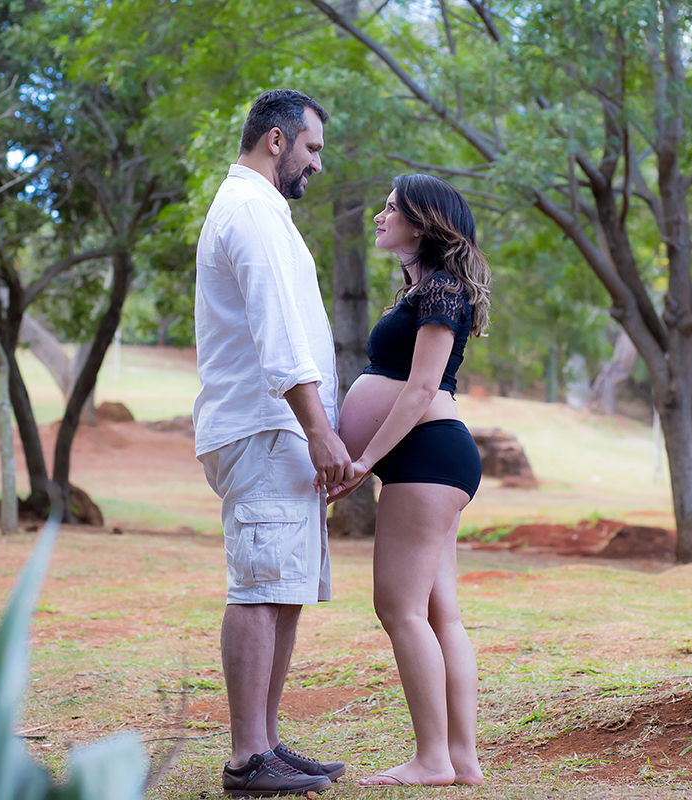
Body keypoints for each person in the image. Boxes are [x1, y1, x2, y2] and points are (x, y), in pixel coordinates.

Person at [193, 89, 352, 797]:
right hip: (265, 427)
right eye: (312, 148)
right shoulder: (252, 210)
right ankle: (246, 756)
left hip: (277, 428)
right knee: (259, 586)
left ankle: (267, 742)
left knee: (281, 586)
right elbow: (277, 335)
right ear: (278, 141)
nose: (317, 163)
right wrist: (320, 431)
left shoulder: (265, 212)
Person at [329, 174, 491, 787]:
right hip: (426, 458)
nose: (378, 215)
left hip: (425, 454)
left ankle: (432, 759)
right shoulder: (427, 288)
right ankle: (462, 759)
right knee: (438, 611)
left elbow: (422, 388)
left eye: (391, 209)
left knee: (398, 608)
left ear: (422, 223)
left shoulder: (443, 291)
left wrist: (365, 459)